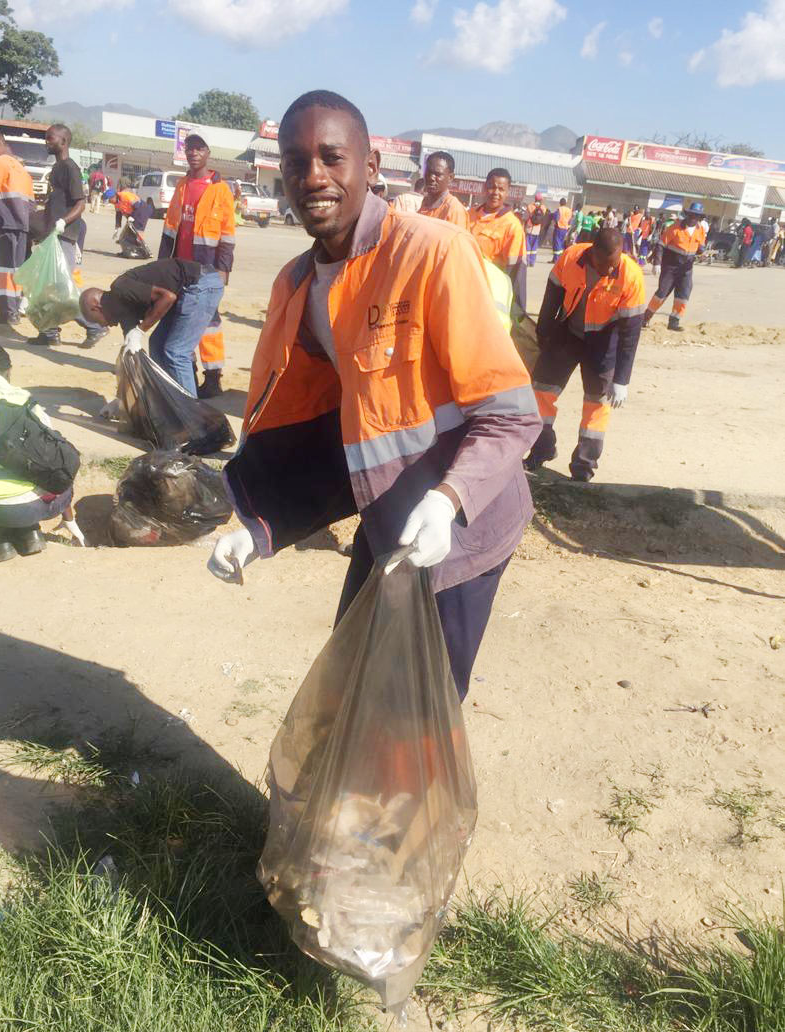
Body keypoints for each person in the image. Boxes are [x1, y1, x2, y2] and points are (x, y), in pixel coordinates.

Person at [206, 90, 541, 702]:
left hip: (462, 528)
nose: (313, 176)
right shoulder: (297, 287)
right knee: (354, 686)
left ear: (371, 167)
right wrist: (262, 526)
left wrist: (447, 501)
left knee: (420, 708)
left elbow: (511, 416)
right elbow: (336, 434)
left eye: (332, 157)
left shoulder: (432, 253)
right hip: (386, 516)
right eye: (295, 162)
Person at [524, 229, 645, 482]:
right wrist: (543, 336)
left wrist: (622, 379)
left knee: (596, 405)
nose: (610, 270)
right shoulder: (571, 257)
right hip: (567, 334)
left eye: (614, 263)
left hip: (604, 343)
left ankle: (583, 466)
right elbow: (552, 297)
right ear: (592, 253)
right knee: (541, 392)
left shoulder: (631, 276)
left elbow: (631, 334)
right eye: (604, 264)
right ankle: (542, 447)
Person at [0, 344, 83, 562]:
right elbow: (53, 456)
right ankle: (28, 533)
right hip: (50, 502)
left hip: (0, 506)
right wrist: (67, 516)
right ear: (8, 371)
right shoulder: (25, 398)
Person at [159, 131, 236, 399]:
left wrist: (223, 270)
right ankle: (187, 371)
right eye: (189, 148)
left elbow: (227, 234)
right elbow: (170, 229)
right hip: (179, 267)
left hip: (206, 269)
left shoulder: (220, 190)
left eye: (199, 148)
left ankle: (213, 378)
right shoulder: (182, 186)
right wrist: (162, 265)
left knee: (209, 322)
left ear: (208, 153)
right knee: (181, 317)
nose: (193, 153)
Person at [79, 258, 225, 397]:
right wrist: (122, 399)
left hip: (201, 285)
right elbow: (132, 355)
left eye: (97, 321)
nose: (103, 325)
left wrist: (140, 330)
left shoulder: (121, 288)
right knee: (156, 344)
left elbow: (168, 297)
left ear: (96, 307)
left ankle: (189, 410)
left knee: (176, 352)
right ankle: (169, 398)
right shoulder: (122, 312)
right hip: (186, 291)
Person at [28, 124, 107, 349]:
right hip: (51, 236)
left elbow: (80, 204)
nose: (46, 142)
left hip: (64, 236)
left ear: (63, 141)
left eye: (50, 138)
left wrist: (63, 222)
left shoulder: (70, 168)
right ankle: (49, 332)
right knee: (45, 286)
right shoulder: (57, 168)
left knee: (63, 289)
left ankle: (95, 326)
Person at [0, 131, 33, 327]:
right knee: (16, 269)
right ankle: (14, 310)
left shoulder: (0, 162)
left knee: (3, 269)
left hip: (6, 223)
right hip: (22, 224)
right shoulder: (19, 166)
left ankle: (8, 313)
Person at [468, 167, 527, 315]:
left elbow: (516, 272)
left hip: (488, 296)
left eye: (501, 189)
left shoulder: (512, 226)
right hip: (462, 286)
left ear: (507, 192)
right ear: (484, 188)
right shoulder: (469, 215)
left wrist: (516, 311)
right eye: (492, 187)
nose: (495, 192)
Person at [642, 202, 707, 331]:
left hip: (687, 269)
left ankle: (674, 322)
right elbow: (661, 245)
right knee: (661, 293)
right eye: (691, 215)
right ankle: (645, 318)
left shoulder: (700, 230)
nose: (693, 218)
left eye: (696, 216)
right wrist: (657, 263)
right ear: (687, 215)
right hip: (670, 267)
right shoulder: (675, 227)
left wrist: (701, 252)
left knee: (683, 295)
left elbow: (701, 247)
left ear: (699, 218)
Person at [418, 152, 469, 228]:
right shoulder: (426, 202)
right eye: (428, 172)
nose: (431, 178)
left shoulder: (454, 209)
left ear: (450, 177)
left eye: (438, 174)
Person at [525, 194, 547, 266]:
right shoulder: (543, 207)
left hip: (529, 228)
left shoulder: (530, 206)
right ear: (541, 200)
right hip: (537, 229)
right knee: (534, 247)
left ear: (535, 199)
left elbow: (526, 216)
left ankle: (527, 261)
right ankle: (532, 262)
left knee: (527, 246)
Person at [551, 198, 573, 263]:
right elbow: (570, 220)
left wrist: (555, 222)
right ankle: (560, 258)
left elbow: (555, 217)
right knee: (561, 243)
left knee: (557, 243)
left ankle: (556, 259)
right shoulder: (569, 210)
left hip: (559, 227)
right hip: (565, 228)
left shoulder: (559, 209)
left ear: (560, 203)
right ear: (565, 203)